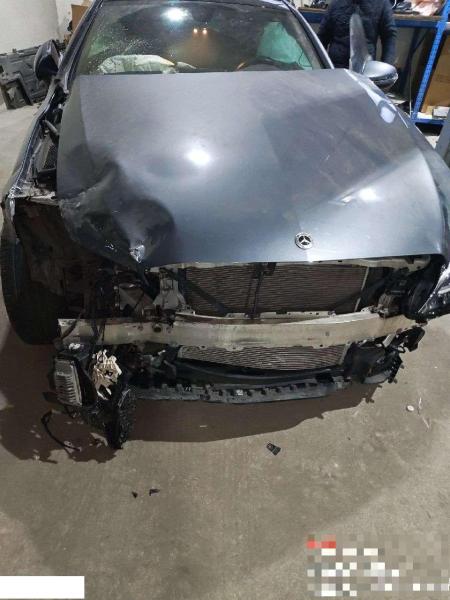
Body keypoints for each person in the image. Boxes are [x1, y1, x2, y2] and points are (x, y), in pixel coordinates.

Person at [317, 0, 397, 69]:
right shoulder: (336, 3)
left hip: (364, 70)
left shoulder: (381, 3)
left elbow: (389, 36)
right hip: (335, 69)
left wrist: (386, 68)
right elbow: (322, 37)